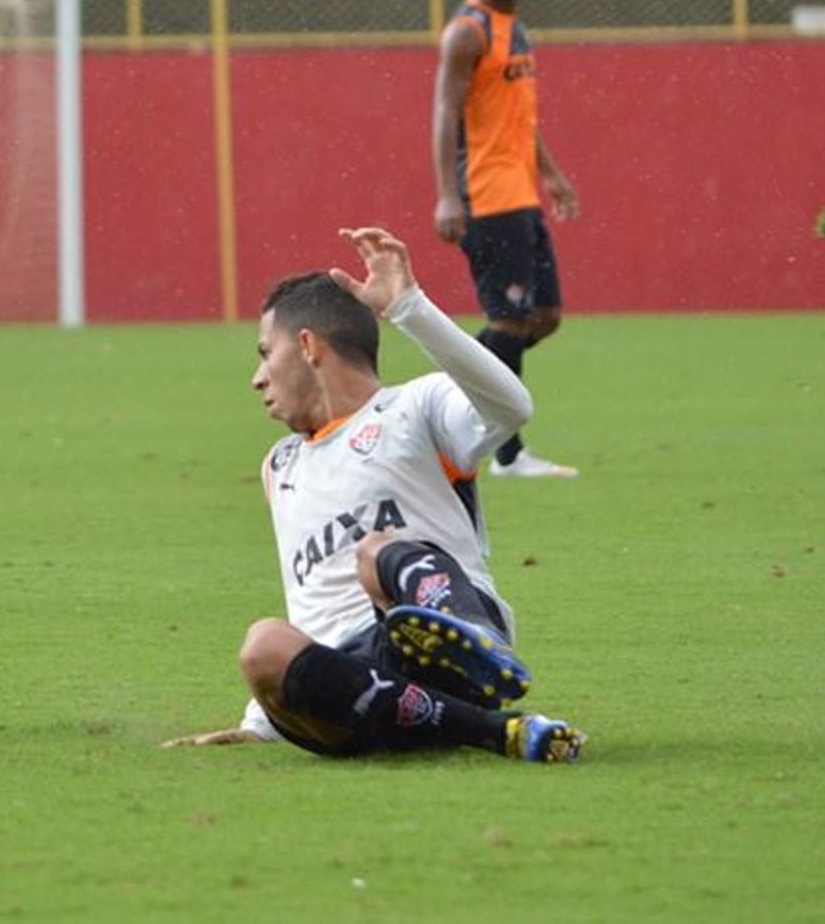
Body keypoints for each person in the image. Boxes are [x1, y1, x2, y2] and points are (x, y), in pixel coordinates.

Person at [164, 227, 585, 763]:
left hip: (424, 639)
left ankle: (477, 647)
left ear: (309, 346)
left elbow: (512, 407)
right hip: (355, 692)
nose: (257, 378)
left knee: (375, 552)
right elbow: (309, 595)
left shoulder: (416, 407)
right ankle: (489, 730)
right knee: (263, 644)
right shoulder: (281, 465)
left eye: (266, 353)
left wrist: (411, 308)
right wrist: (261, 719)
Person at [431, 0, 580, 479]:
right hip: (486, 198)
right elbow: (444, 113)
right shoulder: (467, 32)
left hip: (520, 196)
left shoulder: (514, 29)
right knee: (510, 321)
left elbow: (518, 119)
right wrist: (448, 195)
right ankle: (508, 456)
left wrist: (553, 174)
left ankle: (453, 384)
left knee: (543, 316)